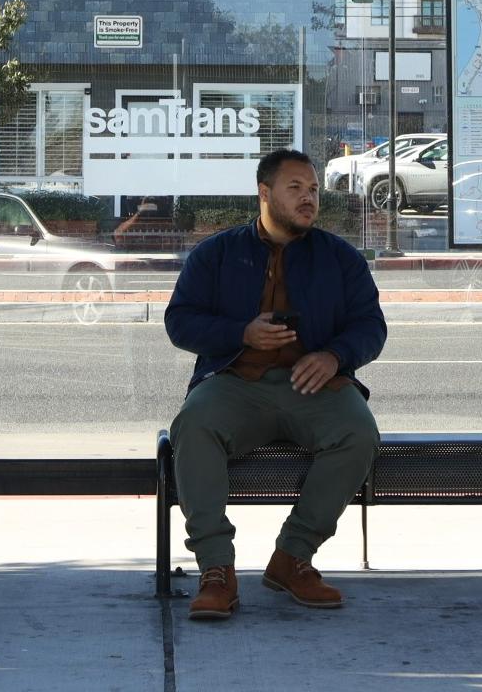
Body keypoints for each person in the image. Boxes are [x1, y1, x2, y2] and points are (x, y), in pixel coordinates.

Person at [165, 148, 385, 621]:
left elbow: (370, 326)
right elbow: (180, 322)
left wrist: (334, 356)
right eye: (296, 189)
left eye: (313, 190)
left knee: (358, 432)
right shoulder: (216, 254)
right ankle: (216, 571)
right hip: (235, 383)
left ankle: (292, 558)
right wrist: (240, 333)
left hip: (314, 385)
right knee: (194, 424)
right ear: (265, 193)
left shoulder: (340, 258)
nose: (309, 199)